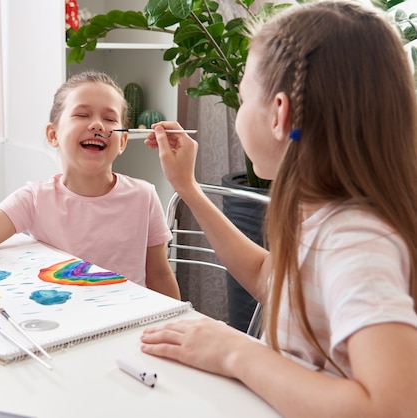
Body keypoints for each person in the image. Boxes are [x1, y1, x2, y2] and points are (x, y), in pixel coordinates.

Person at [140, 1, 417, 416]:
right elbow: (268, 278)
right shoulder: (326, 214)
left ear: (279, 113)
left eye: (243, 98)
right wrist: (189, 189)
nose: (238, 116)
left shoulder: (355, 241)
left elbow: (391, 404)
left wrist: (236, 353)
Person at [0, 71, 181, 300]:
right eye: (82, 115)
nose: (97, 125)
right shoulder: (34, 199)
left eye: (109, 119)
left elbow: (159, 275)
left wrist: (179, 327)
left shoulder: (144, 196)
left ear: (123, 141)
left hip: (131, 327)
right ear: (53, 135)